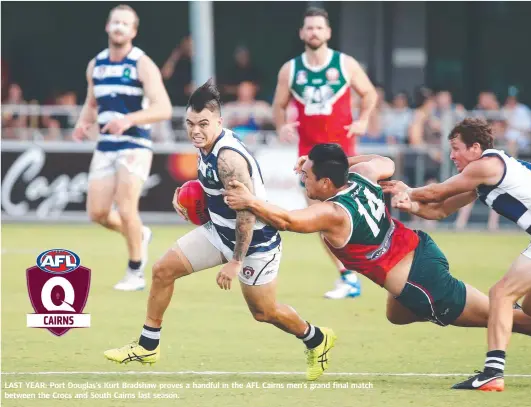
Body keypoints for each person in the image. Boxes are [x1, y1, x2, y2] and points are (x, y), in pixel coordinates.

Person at [223, 143, 531, 388]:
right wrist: (342, 163)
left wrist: (250, 201)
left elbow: (287, 221)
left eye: (307, 176)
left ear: (325, 182)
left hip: (421, 280)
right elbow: (384, 160)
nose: (302, 179)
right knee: (396, 314)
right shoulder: (361, 176)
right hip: (420, 253)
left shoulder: (331, 212)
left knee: (507, 316)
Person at [104, 81, 336, 382]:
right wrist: (188, 198)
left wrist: (236, 262)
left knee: (264, 312)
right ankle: (148, 345)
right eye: (189, 124)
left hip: (254, 243)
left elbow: (247, 215)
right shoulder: (206, 145)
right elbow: (215, 191)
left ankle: (316, 338)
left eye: (203, 124)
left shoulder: (229, 159)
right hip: (219, 232)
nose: (195, 131)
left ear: (219, 122)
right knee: (162, 270)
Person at [382, 117, 531, 391]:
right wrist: (412, 205)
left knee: (501, 294)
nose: (452, 155)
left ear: (475, 147)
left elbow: (438, 191)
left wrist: (409, 190)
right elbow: (439, 210)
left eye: (456, 148)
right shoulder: (487, 173)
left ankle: (493, 372)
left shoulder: (488, 165)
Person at [273, 7, 378, 299]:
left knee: (352, 219)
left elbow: (369, 93)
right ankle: (348, 277)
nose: (314, 32)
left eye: (319, 28)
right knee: (320, 221)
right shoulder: (291, 69)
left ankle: (365, 269)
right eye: (309, 28)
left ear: (328, 32)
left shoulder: (344, 64)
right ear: (301, 33)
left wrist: (363, 119)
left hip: (344, 156)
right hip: (309, 159)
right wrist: (282, 126)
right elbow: (278, 105)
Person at [72, 5, 172, 291]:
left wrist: (128, 120)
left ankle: (135, 272)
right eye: (115, 22)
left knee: (127, 208)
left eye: (125, 24)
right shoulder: (96, 65)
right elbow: (92, 103)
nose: (119, 27)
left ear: (133, 31)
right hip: (105, 145)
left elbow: (163, 108)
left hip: (135, 144)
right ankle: (140, 234)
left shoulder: (142, 63)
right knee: (98, 213)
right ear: (107, 26)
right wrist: (82, 124)